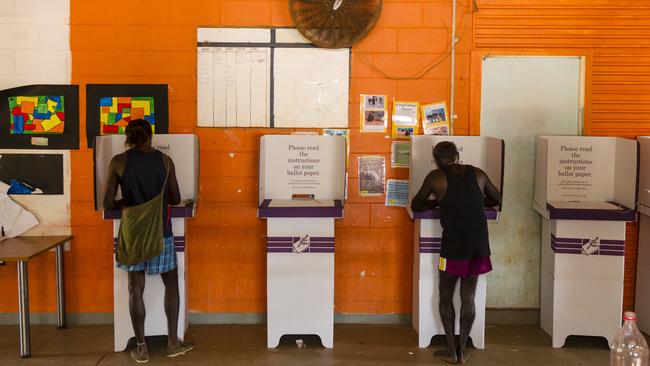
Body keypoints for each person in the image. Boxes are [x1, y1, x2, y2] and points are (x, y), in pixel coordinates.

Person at [103, 119, 194, 363]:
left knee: (135, 287)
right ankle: (173, 342)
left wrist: (127, 204)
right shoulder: (165, 161)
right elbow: (174, 199)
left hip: (132, 235)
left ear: (128, 137)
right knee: (172, 283)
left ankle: (142, 348)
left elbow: (107, 202)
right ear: (151, 137)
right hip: (161, 233)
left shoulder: (118, 161)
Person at [411, 141, 501, 364]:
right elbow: (498, 199)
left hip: (453, 245)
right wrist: (480, 202)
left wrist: (436, 203)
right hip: (479, 244)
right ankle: (463, 351)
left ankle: (451, 350)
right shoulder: (478, 173)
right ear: (456, 156)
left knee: (444, 294)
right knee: (468, 297)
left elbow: (416, 205)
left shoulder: (436, 177)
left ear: (437, 158)